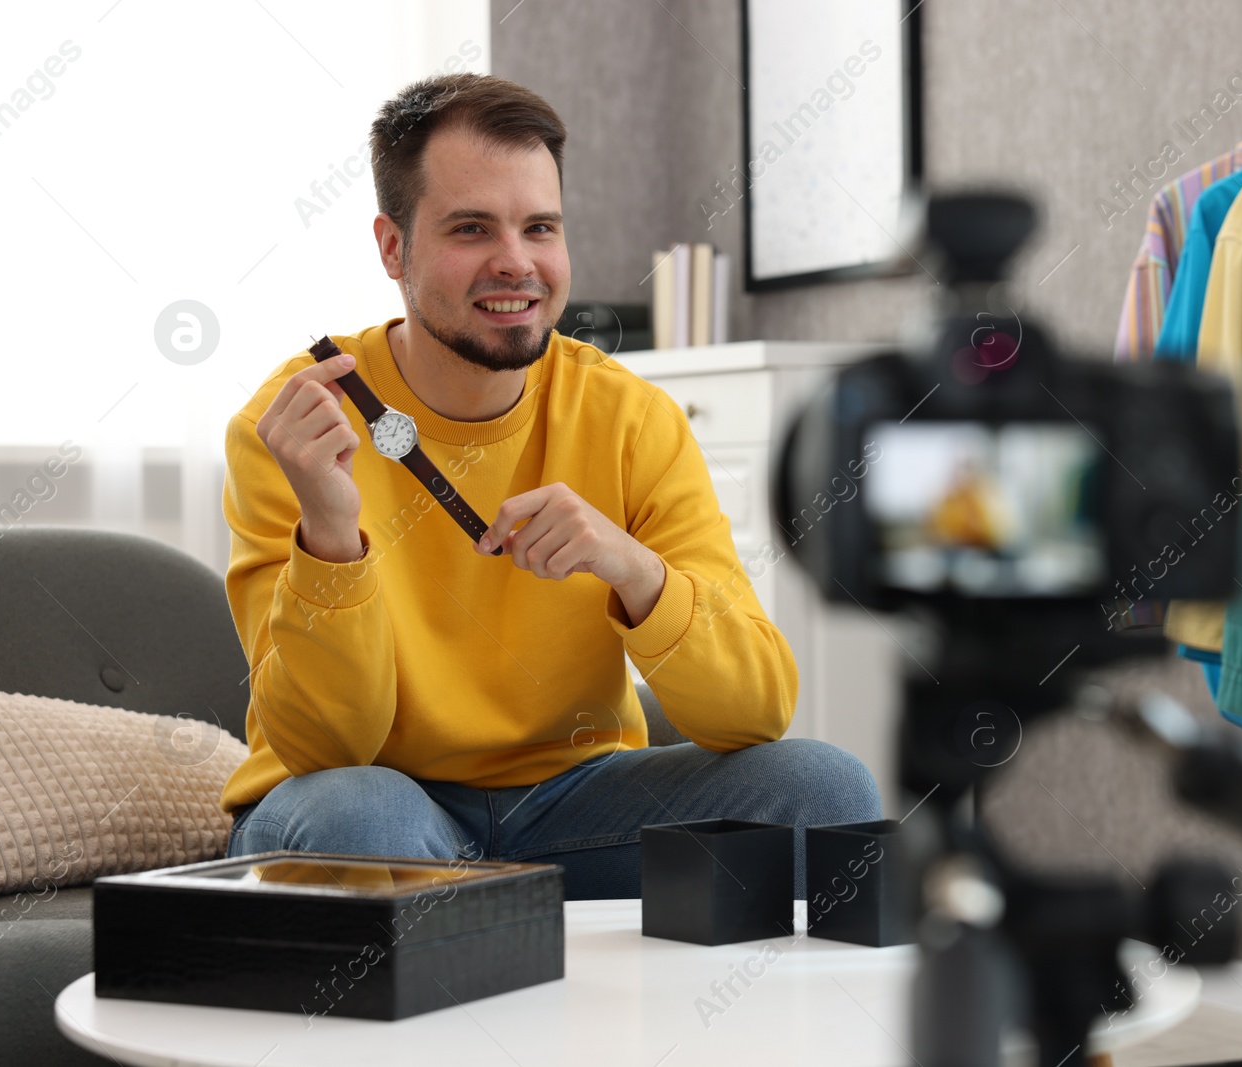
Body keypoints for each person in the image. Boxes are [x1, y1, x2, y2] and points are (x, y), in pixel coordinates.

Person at [218, 72, 881, 899]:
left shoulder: (630, 418)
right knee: (363, 820)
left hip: (574, 808)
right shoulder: (295, 425)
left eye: (540, 227)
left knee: (826, 791)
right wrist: (331, 534)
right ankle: (473, 945)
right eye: (471, 228)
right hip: (370, 804)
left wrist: (635, 571)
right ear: (393, 247)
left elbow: (753, 712)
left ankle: (499, 933)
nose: (516, 263)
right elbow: (327, 748)